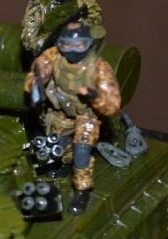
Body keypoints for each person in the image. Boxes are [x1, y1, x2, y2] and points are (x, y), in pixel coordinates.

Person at [24, 22, 121, 215]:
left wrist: (93, 96)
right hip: (62, 110)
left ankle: (82, 190)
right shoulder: (54, 55)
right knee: (57, 144)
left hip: (87, 114)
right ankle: (67, 164)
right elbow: (37, 70)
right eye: (67, 45)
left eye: (79, 45)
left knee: (82, 151)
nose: (72, 50)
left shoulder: (99, 68)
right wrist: (36, 84)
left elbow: (113, 103)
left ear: (88, 44)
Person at [21, 0, 102, 57]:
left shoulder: (85, 2)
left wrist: (74, 33)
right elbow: (29, 40)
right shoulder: (37, 6)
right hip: (47, 54)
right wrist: (53, 40)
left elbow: (95, 22)